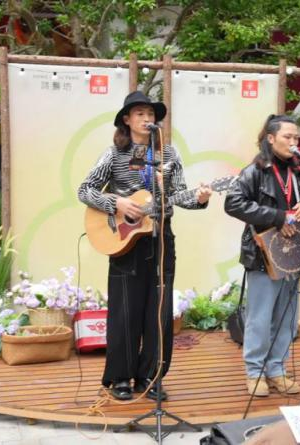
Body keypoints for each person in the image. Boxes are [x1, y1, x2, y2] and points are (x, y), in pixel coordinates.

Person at [78, 91, 212, 401]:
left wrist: (201, 198)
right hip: (124, 240)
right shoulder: (114, 154)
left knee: (159, 311)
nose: (147, 118)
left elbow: (181, 195)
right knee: (125, 310)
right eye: (140, 113)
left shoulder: (168, 154)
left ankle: (150, 376)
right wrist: (117, 203)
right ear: (126, 119)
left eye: (151, 114)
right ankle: (120, 378)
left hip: (161, 237)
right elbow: (85, 190)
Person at [224, 114, 300, 397]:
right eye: (287, 137)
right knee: (260, 317)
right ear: (271, 138)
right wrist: (278, 217)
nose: (293, 142)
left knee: (287, 316)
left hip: (292, 252)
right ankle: (255, 372)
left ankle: (277, 369)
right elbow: (233, 203)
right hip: (263, 254)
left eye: (296, 137)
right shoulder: (255, 171)